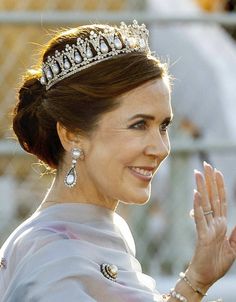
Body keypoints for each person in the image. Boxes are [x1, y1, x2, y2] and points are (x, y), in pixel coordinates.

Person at [0, 20, 235, 302]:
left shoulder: (100, 229)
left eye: (163, 127)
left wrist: (197, 278)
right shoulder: (52, 256)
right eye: (138, 125)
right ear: (72, 135)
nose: (160, 148)